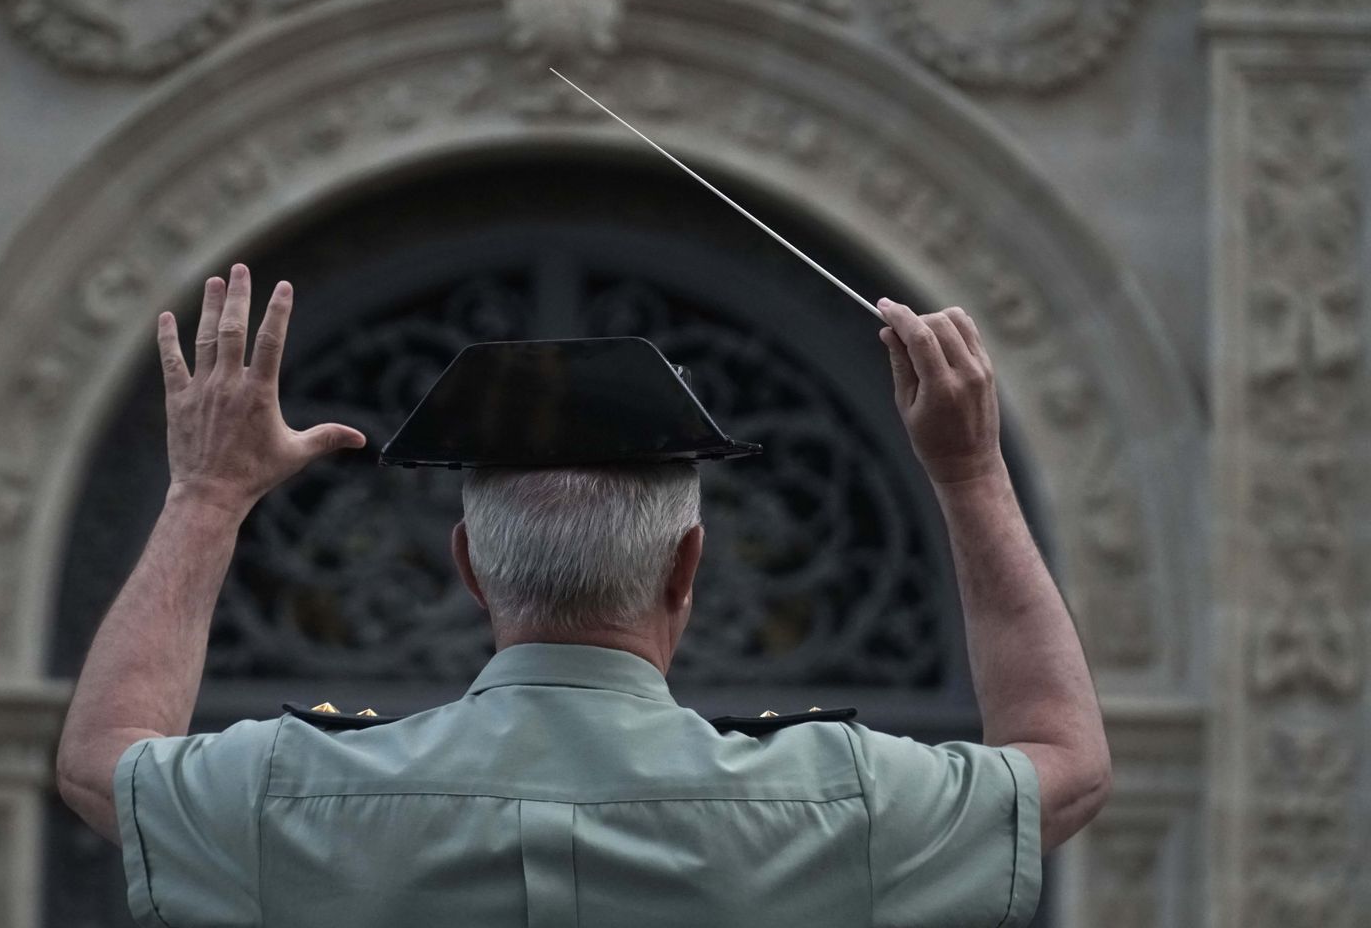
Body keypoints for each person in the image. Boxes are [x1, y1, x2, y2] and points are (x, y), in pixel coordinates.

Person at [56, 262, 1110, 928]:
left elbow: (101, 757)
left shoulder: (292, 793)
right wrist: (969, 475)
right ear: (687, 568)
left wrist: (206, 495)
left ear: (467, 567)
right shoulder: (838, 805)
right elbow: (1064, 764)